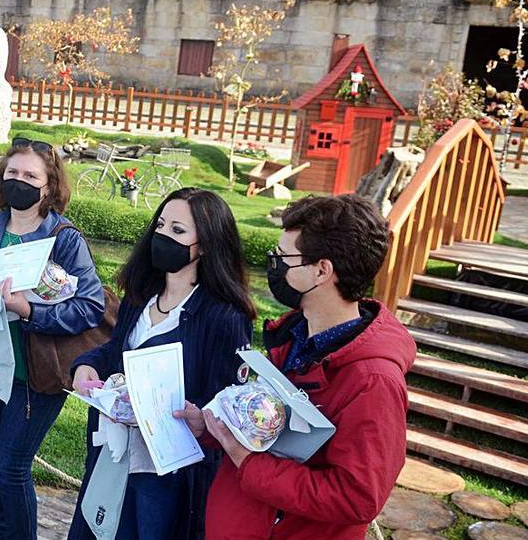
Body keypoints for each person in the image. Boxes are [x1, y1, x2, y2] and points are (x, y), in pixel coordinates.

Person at [199, 195, 412, 540]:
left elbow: (357, 496)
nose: (274, 264)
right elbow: (267, 426)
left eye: (283, 257)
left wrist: (251, 466)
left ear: (321, 270)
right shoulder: (292, 339)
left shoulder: (373, 381)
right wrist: (212, 427)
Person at [68, 188, 256, 540]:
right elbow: (115, 352)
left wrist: (190, 413)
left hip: (165, 473)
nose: (163, 236)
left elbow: (228, 400)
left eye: (178, 230)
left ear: (207, 244)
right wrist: (85, 366)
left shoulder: (224, 317)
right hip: (114, 452)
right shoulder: (141, 294)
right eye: (161, 225)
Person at [0, 137, 107, 540]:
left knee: (11, 466)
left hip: (36, 373)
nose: (18, 181)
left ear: (49, 185)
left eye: (29, 175)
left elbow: (91, 305)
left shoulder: (64, 238)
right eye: (12, 173)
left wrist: (30, 311)